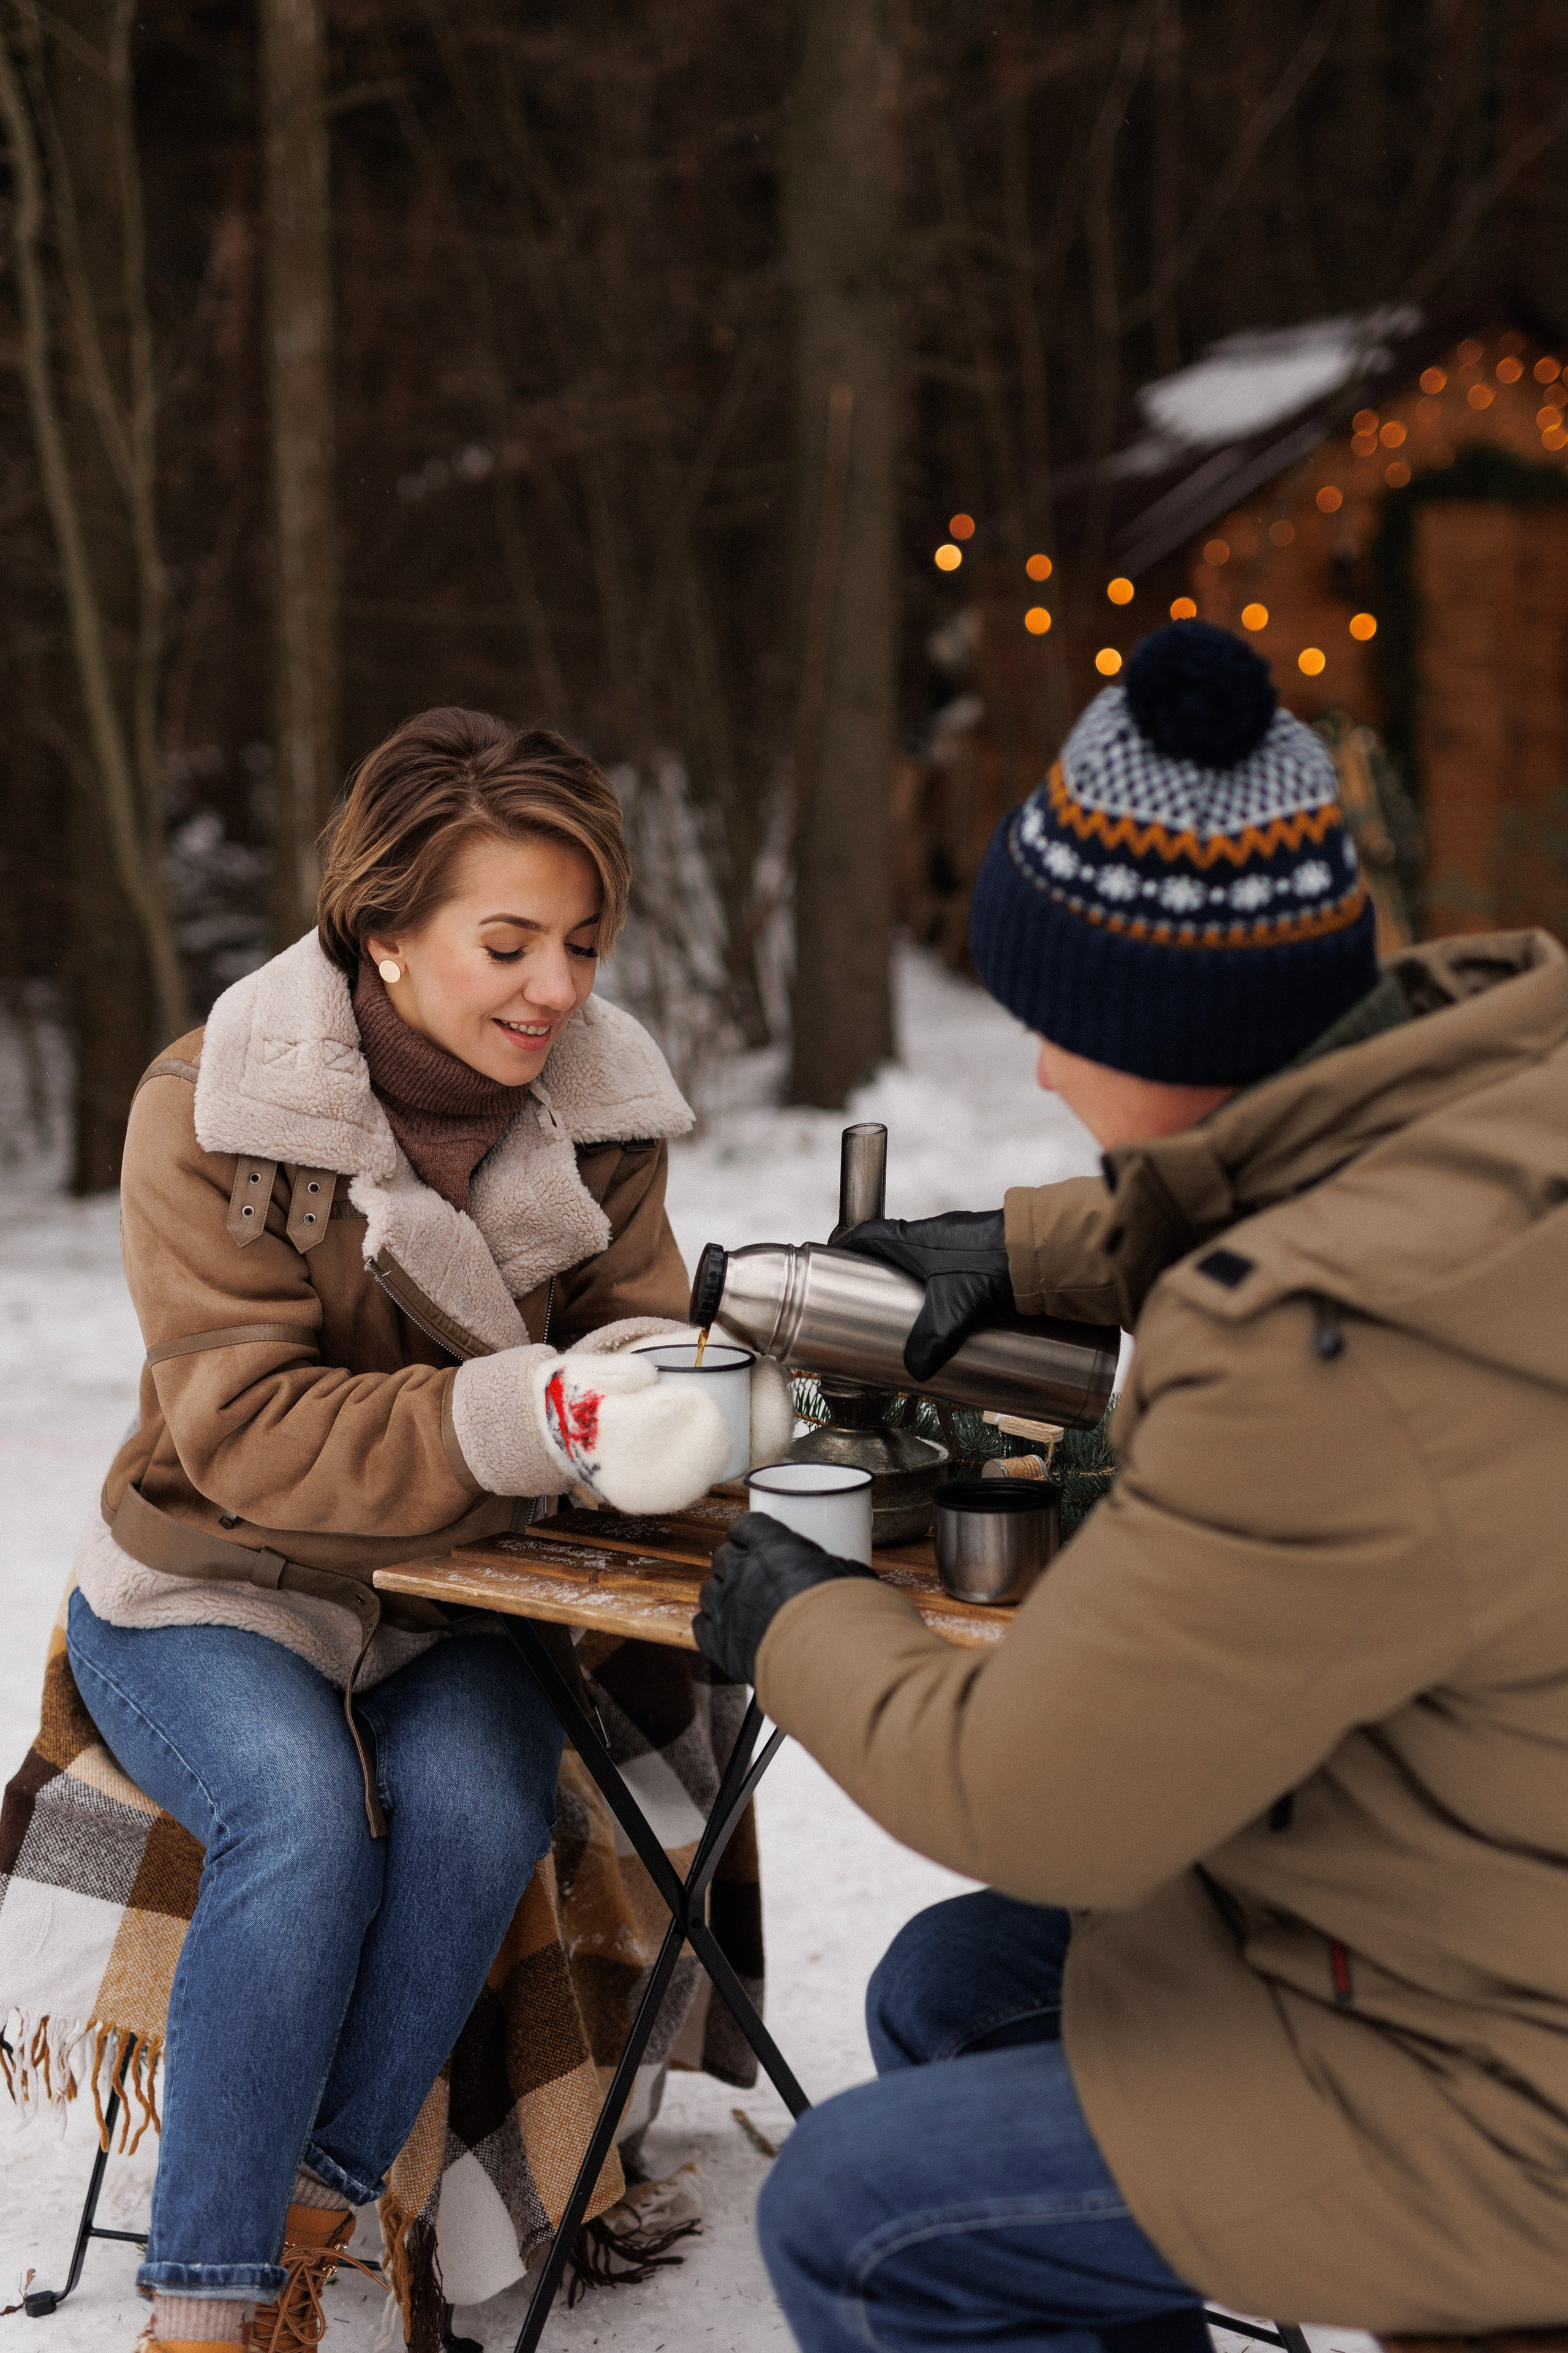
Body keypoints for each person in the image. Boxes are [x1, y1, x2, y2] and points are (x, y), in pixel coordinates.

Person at [695, 622, 1568, 2351]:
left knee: (861, 2215)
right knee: (953, 1983)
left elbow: (1035, 1802)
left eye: (1055, 1020)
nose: (1034, 1068)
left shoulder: (1310, 1351)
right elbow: (1313, 1170)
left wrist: (807, 1613)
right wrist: (1025, 1246)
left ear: (1154, 1023)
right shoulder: (1495, 1104)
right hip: (1465, 1905)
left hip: (1499, 2087)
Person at [62, 708, 791, 2353]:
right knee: (307, 1817)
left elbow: (633, 1325)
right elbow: (240, 1427)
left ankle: (310, 2221)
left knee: (476, 1798)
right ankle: (204, 2312)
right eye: (510, 941)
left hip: (454, 1599)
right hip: (211, 1582)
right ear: (383, 931)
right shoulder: (214, 1109)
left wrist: (658, 1397)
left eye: (583, 943)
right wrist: (527, 1418)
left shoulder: (595, 1115)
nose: (557, 987)